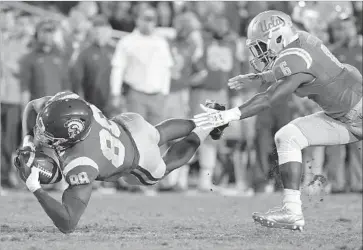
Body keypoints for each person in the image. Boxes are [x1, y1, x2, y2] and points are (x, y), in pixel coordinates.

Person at [194, 10, 362, 231]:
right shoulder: (299, 41)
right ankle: (292, 211)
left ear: (278, 37)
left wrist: (228, 115)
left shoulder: (295, 57)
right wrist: (258, 77)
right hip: (342, 115)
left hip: (356, 111)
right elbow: (289, 69)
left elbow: (269, 98)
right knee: (288, 137)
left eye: (261, 45)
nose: (259, 52)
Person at [14, 91, 228, 234]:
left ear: (71, 135)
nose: (41, 134)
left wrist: (35, 188)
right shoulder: (70, 102)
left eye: (49, 134)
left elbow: (68, 223)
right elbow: (33, 106)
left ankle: (205, 128)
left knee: (163, 168)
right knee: (157, 133)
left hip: (139, 157)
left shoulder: (82, 163)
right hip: (130, 123)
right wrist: (27, 141)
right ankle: (208, 118)